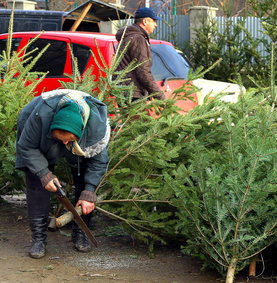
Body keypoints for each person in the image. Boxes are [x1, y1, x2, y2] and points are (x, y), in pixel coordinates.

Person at [15, 89, 110, 259]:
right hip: (39, 135)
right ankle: (38, 239)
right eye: (61, 139)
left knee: (84, 178)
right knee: (37, 179)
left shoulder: (96, 127)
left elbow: (98, 161)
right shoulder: (38, 117)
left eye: (69, 140)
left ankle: (80, 232)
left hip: (81, 138)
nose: (65, 143)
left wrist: (89, 191)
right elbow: (26, 147)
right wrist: (44, 173)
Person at [115, 7, 165, 101]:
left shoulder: (130, 36)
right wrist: (159, 95)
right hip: (132, 93)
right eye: (154, 21)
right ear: (145, 21)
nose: (156, 25)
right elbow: (142, 71)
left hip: (126, 91)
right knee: (135, 116)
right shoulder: (138, 39)